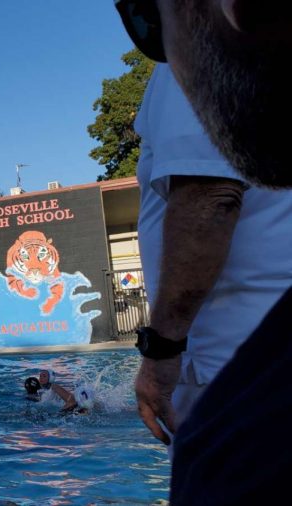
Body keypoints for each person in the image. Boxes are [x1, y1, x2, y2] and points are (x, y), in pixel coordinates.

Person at [116, 0, 292, 501]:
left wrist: (161, 351)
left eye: (148, 19)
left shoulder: (195, 59)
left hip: (237, 364)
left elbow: (210, 198)